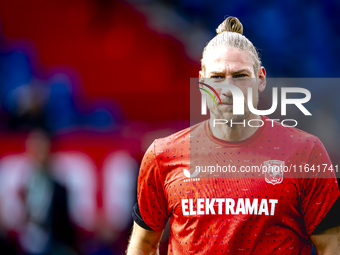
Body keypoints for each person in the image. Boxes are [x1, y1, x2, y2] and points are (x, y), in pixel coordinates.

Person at [126, 17, 340, 255]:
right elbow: (143, 245)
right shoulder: (163, 155)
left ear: (260, 79)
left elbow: (331, 246)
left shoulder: (305, 152)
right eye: (217, 77)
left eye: (239, 76)